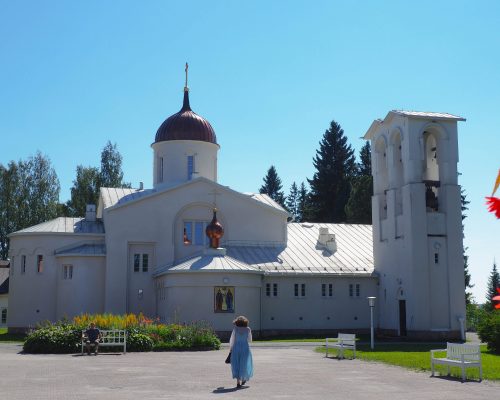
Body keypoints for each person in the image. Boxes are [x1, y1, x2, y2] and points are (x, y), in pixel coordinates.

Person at [229, 315, 253, 388]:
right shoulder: (248, 329)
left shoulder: (235, 329)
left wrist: (231, 348)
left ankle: (238, 382)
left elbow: (232, 339)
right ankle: (243, 378)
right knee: (244, 363)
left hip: (236, 347)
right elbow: (250, 340)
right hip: (245, 348)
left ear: (237, 322)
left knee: (236, 364)